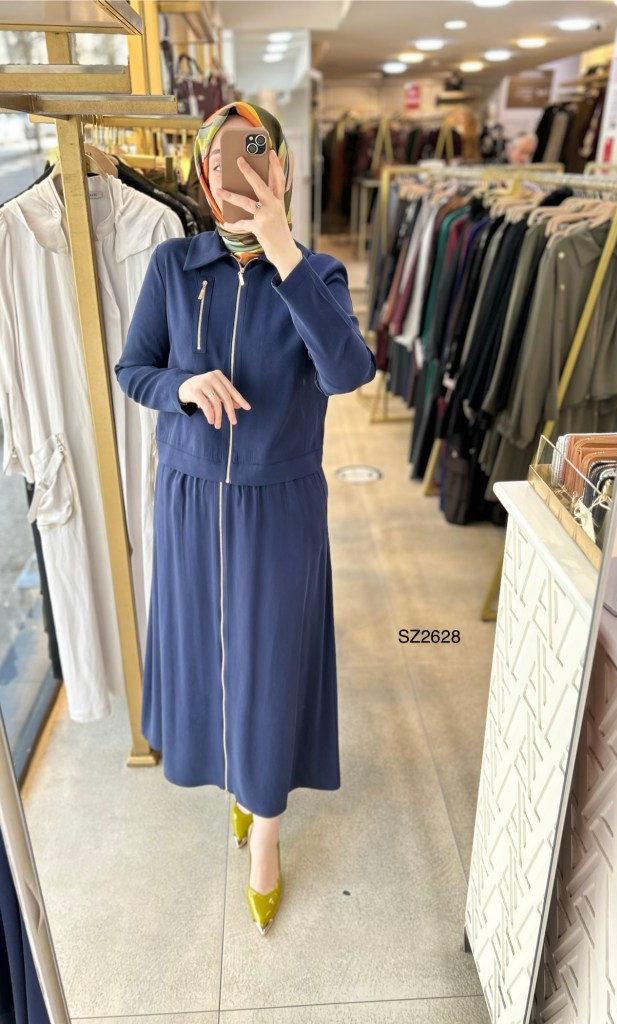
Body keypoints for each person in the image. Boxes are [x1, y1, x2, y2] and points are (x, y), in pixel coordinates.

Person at [114, 101, 376, 935]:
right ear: (203, 175)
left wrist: (285, 251)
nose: (244, 176)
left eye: (261, 159)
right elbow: (134, 368)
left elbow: (348, 373)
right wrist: (181, 386)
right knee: (206, 653)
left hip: (279, 501)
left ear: (284, 170)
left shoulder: (318, 274)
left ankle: (265, 824)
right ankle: (236, 777)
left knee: (268, 662)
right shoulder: (173, 264)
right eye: (227, 162)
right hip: (190, 496)